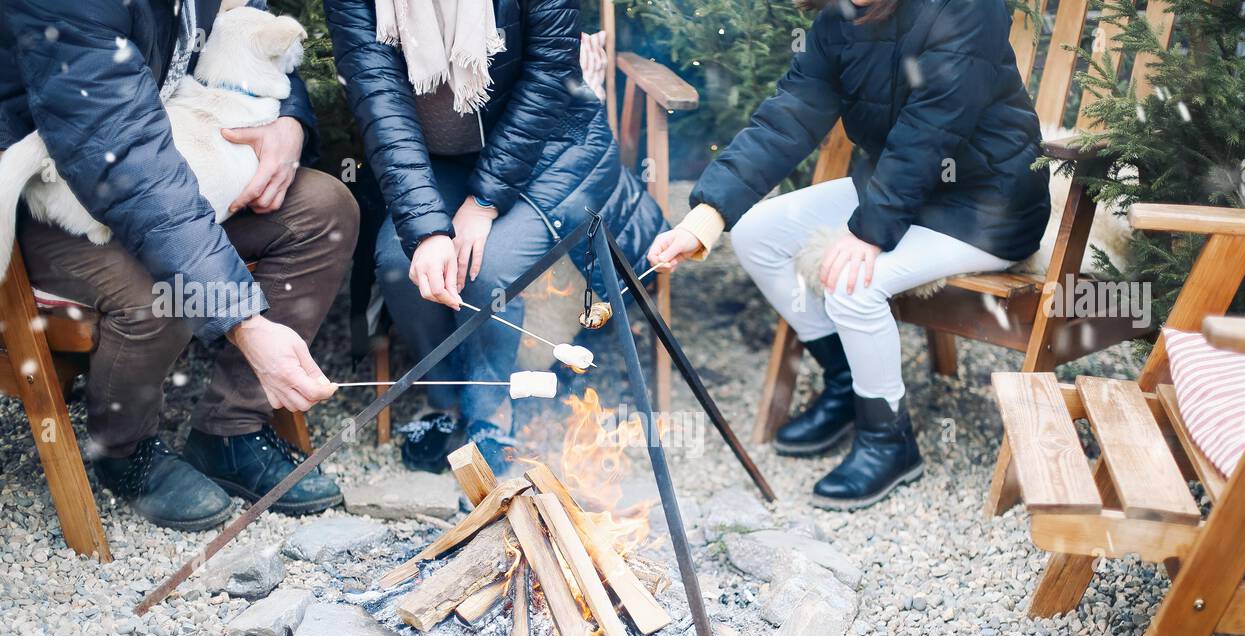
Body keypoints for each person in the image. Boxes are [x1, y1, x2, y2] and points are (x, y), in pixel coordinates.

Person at [649, 0, 1051, 510]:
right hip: (895, 192)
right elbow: (786, 119)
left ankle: (889, 441)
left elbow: (932, 129)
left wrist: (869, 234)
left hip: (985, 206)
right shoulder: (840, 21)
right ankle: (845, 385)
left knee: (851, 280)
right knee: (757, 235)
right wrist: (703, 220)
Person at [0, 0, 358, 531]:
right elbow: (125, 153)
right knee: (165, 291)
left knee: (323, 209)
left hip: (179, 163)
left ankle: (231, 429)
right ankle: (122, 449)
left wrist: (290, 123)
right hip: (53, 189)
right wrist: (243, 321)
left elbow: (257, 33)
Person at [325, 0, 665, 475]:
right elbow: (380, 102)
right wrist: (426, 231)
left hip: (550, 144)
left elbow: (550, 75)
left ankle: (493, 416)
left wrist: (483, 202)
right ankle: (449, 401)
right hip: (438, 160)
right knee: (400, 264)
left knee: (488, 266)